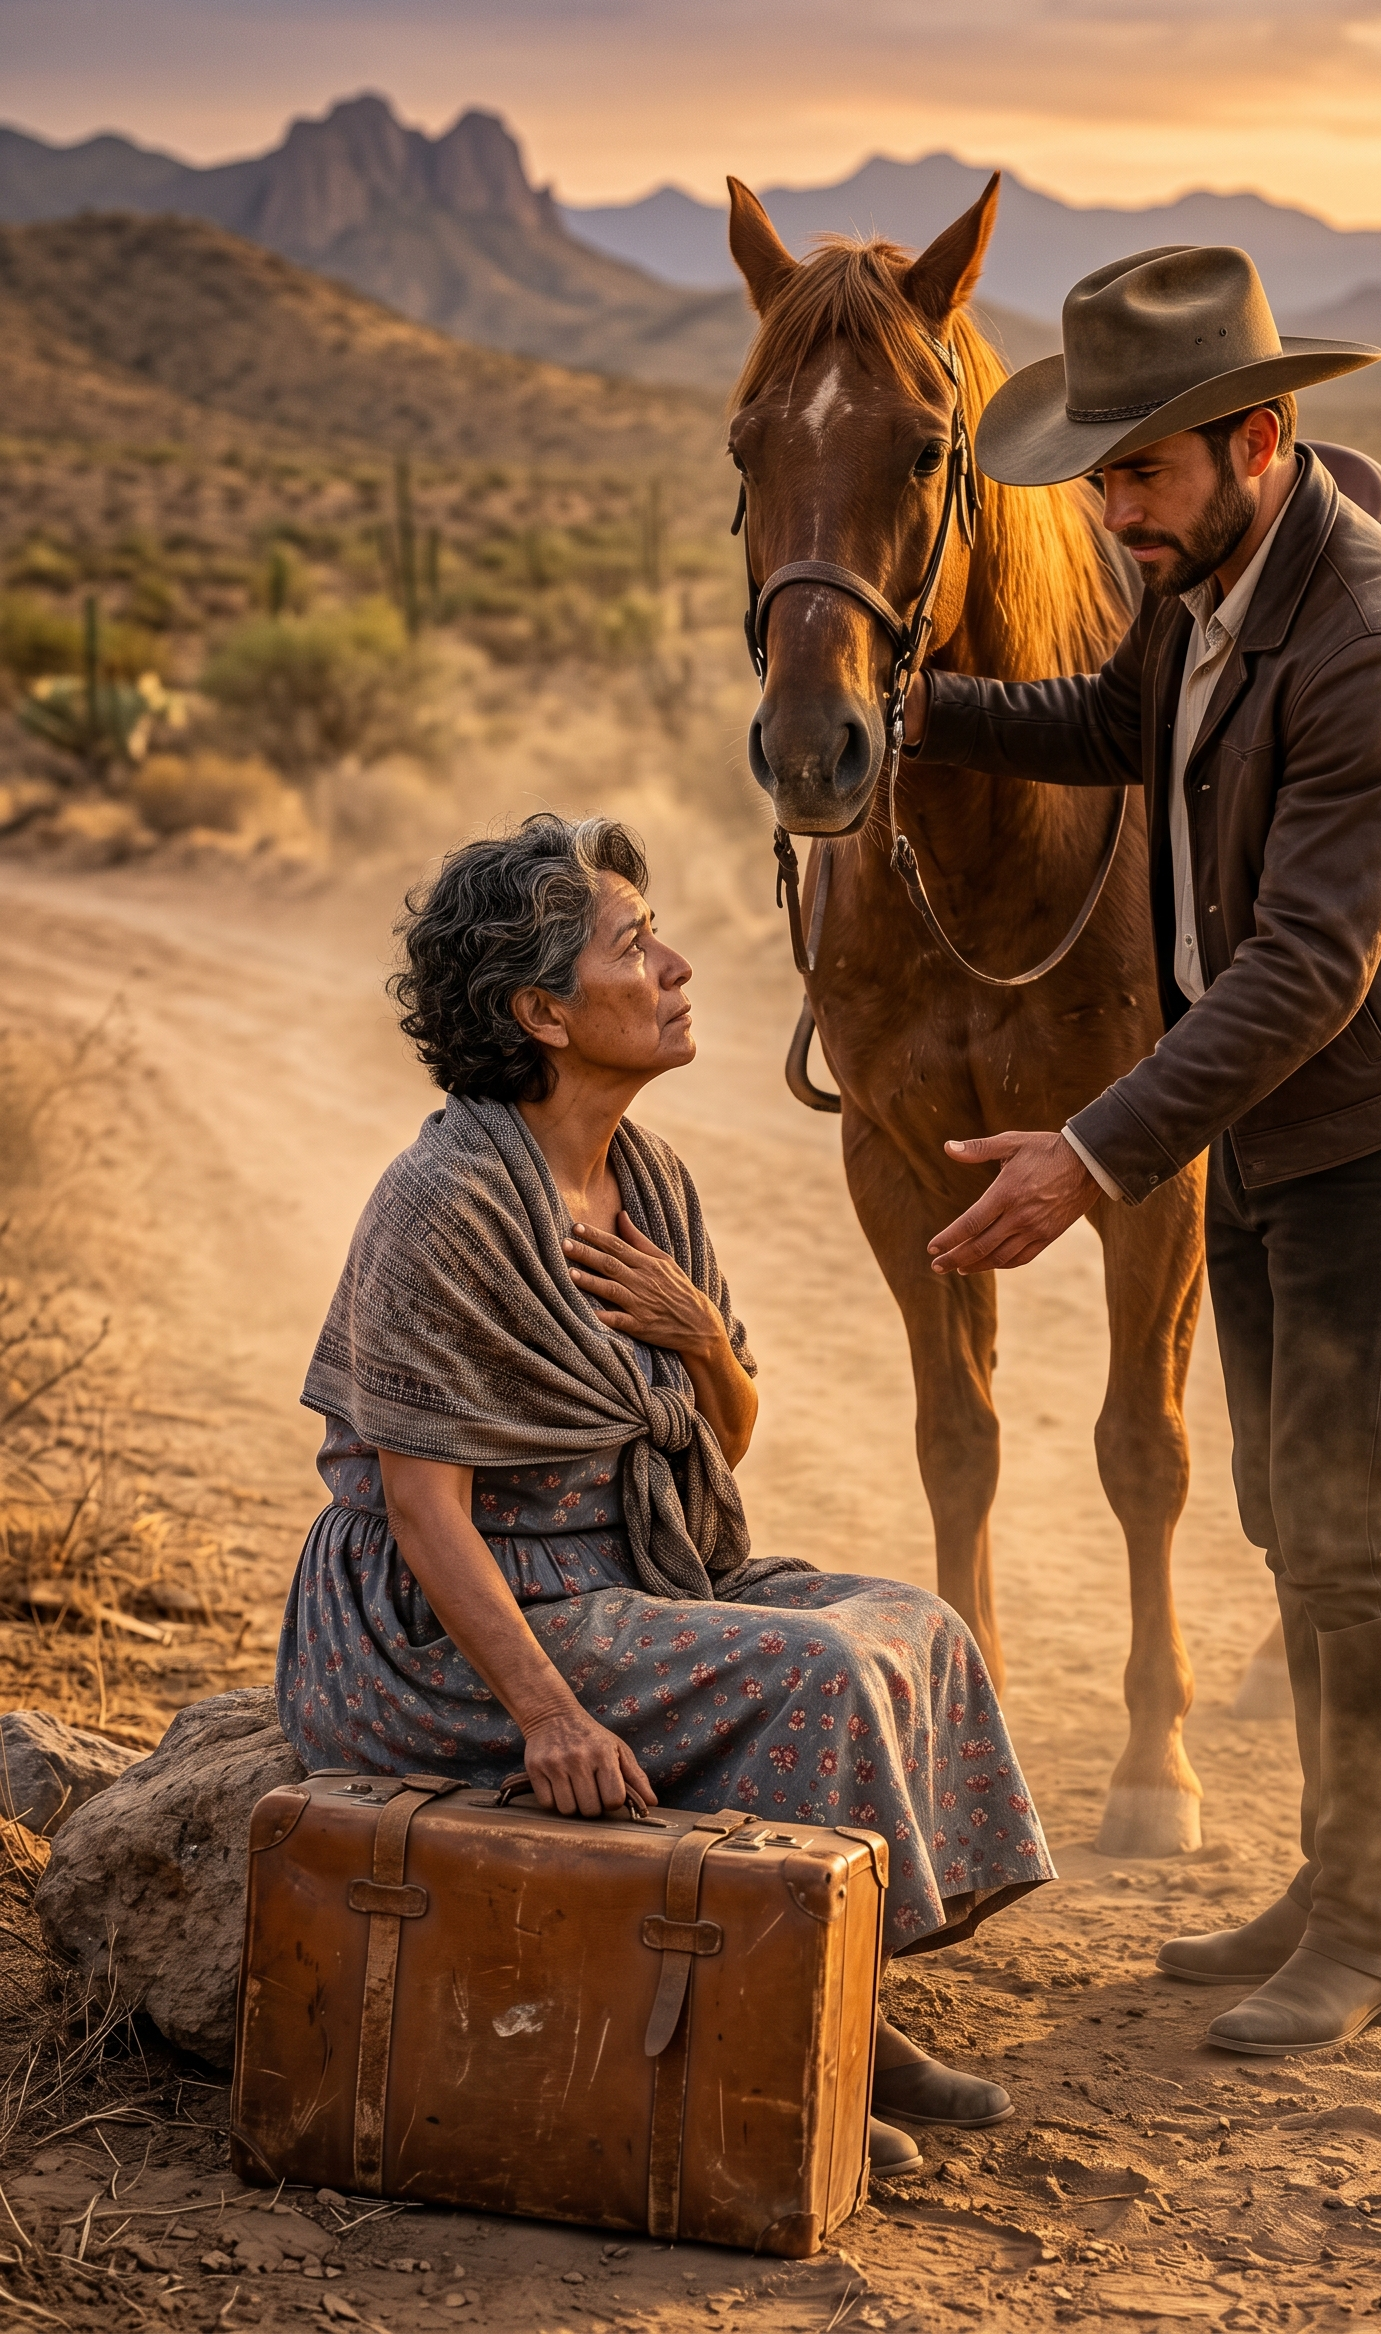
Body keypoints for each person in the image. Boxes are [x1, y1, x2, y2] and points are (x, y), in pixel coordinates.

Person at [905, 245, 1381, 2055]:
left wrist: (1091, 1153)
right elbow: (1114, 725)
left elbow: (1311, 970)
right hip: (1258, 1124)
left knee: (1353, 1530)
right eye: (1096, 474)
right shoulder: (1207, 585)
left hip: (1373, 1128)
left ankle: (1375, 1928)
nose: (1109, 512)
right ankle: (1328, 1884)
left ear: (1259, 438)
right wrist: (918, 708)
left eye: (1139, 472)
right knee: (1281, 1508)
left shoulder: (1373, 640)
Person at [276, 812, 1052, 2174]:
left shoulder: (649, 1178)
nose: (678, 964)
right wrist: (553, 1720)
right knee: (812, 1670)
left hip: (621, 1567)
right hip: (438, 1628)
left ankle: (842, 1994)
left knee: (918, 1625)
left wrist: (699, 1336)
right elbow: (421, 1512)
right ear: (544, 1013)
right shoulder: (445, 1202)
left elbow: (713, 1445)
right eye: (636, 945)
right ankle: (805, 2054)